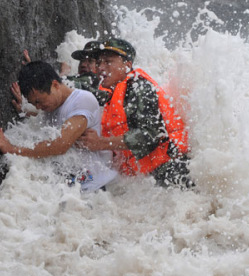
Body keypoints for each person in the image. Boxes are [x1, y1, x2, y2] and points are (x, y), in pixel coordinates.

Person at [77, 37, 194, 189]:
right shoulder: (110, 93)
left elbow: (149, 135)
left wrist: (100, 143)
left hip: (171, 170)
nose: (101, 67)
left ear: (127, 64)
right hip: (147, 179)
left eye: (108, 62)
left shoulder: (139, 87)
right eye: (99, 62)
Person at [0, 61, 117, 192]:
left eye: (38, 101)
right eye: (34, 103)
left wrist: (13, 150)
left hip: (93, 187)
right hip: (69, 186)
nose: (38, 107)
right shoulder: (51, 107)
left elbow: (60, 145)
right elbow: (47, 123)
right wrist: (23, 110)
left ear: (55, 85)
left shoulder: (83, 100)